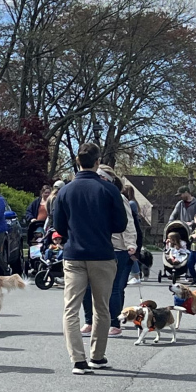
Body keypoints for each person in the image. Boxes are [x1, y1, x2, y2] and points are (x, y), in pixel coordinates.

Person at [53, 143, 128, 375]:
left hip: (74, 254)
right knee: (101, 307)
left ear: (77, 162)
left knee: (71, 308)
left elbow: (58, 226)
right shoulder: (109, 190)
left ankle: (78, 360)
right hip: (102, 254)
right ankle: (97, 355)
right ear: (97, 162)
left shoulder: (65, 191)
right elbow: (120, 224)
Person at [103, 169, 137, 338]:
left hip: (118, 247)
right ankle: (93, 321)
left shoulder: (119, 198)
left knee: (115, 287)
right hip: (100, 246)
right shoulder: (96, 195)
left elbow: (129, 223)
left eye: (101, 177)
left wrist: (131, 244)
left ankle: (114, 324)